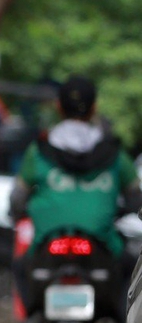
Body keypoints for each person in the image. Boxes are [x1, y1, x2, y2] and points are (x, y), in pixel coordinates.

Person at [9, 72, 141, 306]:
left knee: (20, 266)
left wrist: (17, 212)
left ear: (59, 106)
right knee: (131, 271)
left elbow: (18, 197)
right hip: (102, 243)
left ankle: (32, 318)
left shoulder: (38, 151)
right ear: (94, 108)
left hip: (48, 241)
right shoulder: (114, 154)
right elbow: (135, 196)